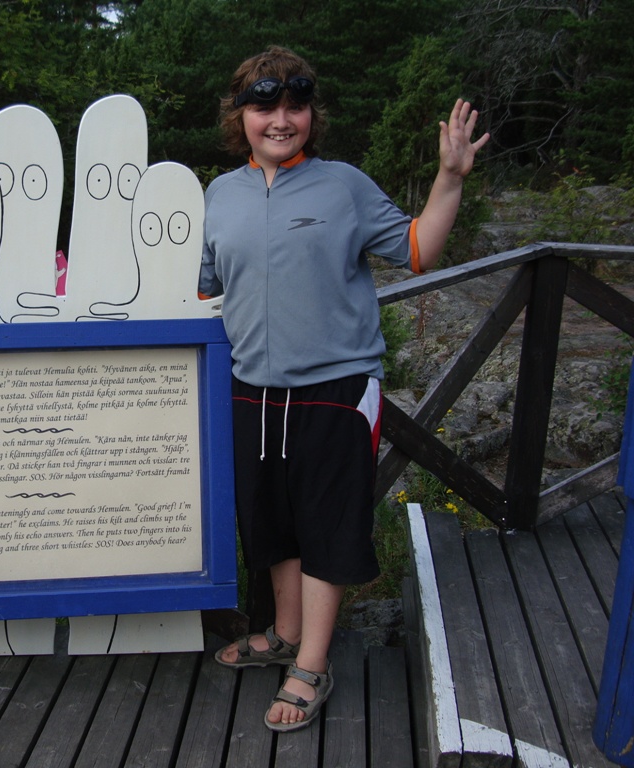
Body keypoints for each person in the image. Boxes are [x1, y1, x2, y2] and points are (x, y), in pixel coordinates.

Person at [199, 46, 489, 732]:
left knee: (326, 524)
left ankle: (312, 665)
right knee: (271, 522)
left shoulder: (343, 186)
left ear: (312, 115)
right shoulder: (218, 195)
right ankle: (285, 635)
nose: (281, 120)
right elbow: (206, 289)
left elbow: (417, 249)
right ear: (240, 116)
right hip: (251, 389)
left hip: (335, 387)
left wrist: (449, 178)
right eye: (265, 107)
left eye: (295, 107)